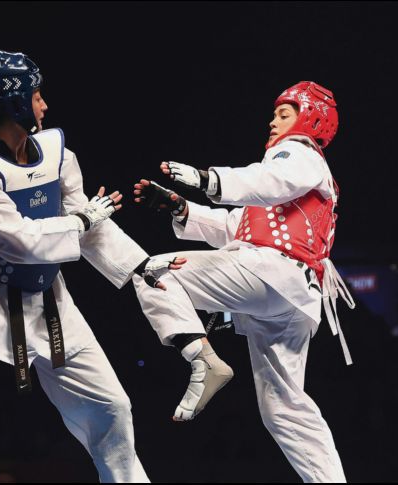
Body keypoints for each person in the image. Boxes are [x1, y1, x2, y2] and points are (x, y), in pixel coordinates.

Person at [0, 47, 182, 483]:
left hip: (49, 304)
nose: (45, 105)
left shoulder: (57, 154)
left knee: (113, 406)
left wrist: (140, 265)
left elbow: (90, 227)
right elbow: (21, 242)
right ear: (14, 102)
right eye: (38, 96)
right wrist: (81, 218)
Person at [133, 81, 355, 482]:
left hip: (273, 276)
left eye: (283, 114)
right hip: (292, 297)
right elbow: (239, 226)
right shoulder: (290, 178)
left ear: (308, 120)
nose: (272, 122)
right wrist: (182, 208)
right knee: (284, 410)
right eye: (274, 115)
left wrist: (207, 179)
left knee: (154, 271)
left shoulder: (298, 153)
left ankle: (204, 359)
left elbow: (265, 182)